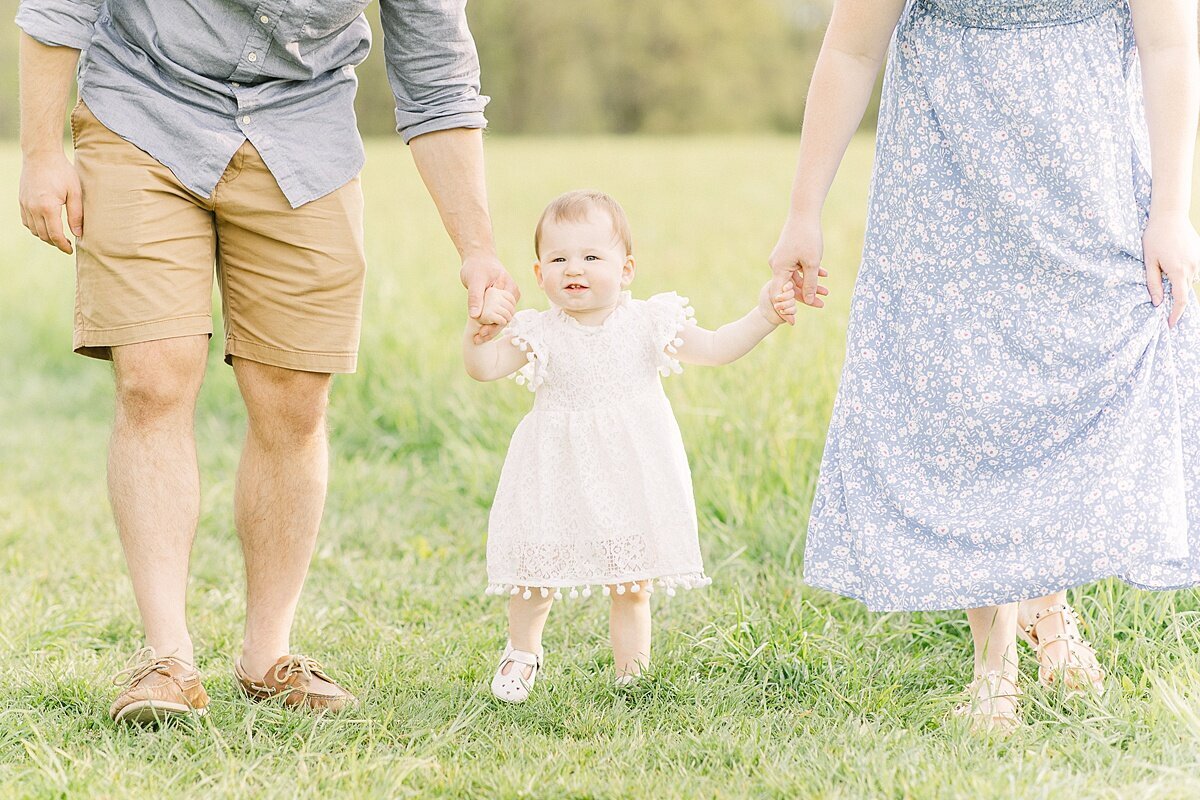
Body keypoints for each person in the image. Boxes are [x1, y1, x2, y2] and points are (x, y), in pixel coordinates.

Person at [16, 0, 519, 724]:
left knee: (294, 396)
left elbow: (436, 73)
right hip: (144, 104)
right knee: (153, 378)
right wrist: (40, 153)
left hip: (301, 132)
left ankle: (267, 656)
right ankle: (167, 658)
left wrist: (476, 248)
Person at [770, 0, 1200, 732]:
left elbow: (1168, 41)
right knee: (966, 398)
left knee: (1068, 383)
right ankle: (993, 658)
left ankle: (1049, 612)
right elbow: (850, 50)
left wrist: (1171, 210)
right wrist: (802, 211)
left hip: (1085, 164)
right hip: (948, 168)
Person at [463, 190, 808, 702]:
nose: (573, 268)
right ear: (539, 274)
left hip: (629, 470)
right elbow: (484, 369)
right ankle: (522, 653)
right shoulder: (539, 331)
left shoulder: (648, 323)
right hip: (556, 467)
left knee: (631, 580)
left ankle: (633, 672)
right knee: (536, 569)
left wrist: (764, 315)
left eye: (591, 257)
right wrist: (478, 331)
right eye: (558, 259)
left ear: (626, 270)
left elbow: (715, 348)